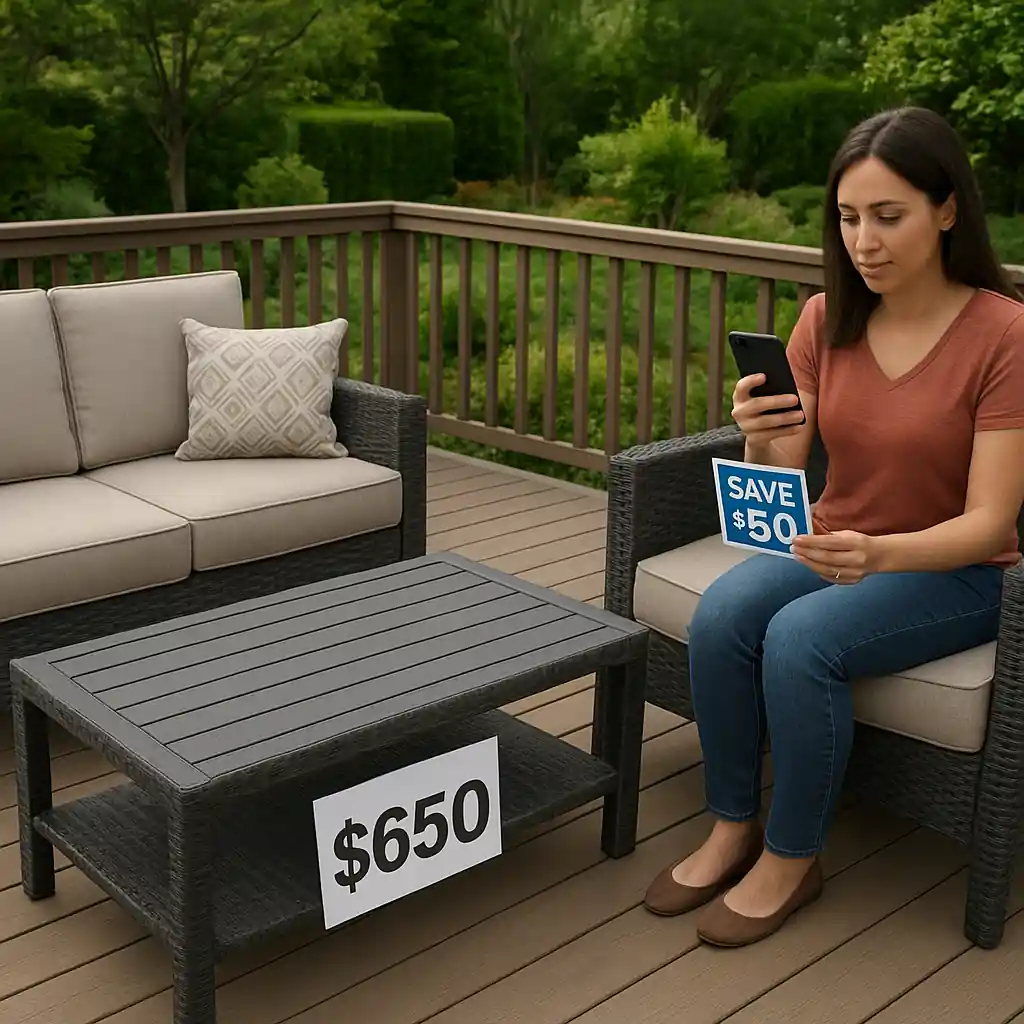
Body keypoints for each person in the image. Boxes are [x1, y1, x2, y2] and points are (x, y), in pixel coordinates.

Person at [642, 106, 1024, 947]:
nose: (864, 241)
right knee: (723, 616)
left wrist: (879, 553)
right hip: (838, 540)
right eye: (849, 218)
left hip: (956, 570)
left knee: (801, 640)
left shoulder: (1004, 334)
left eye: (889, 217)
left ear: (947, 208)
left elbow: (992, 519)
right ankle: (732, 822)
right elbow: (785, 471)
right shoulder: (826, 319)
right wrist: (762, 436)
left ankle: (792, 855)